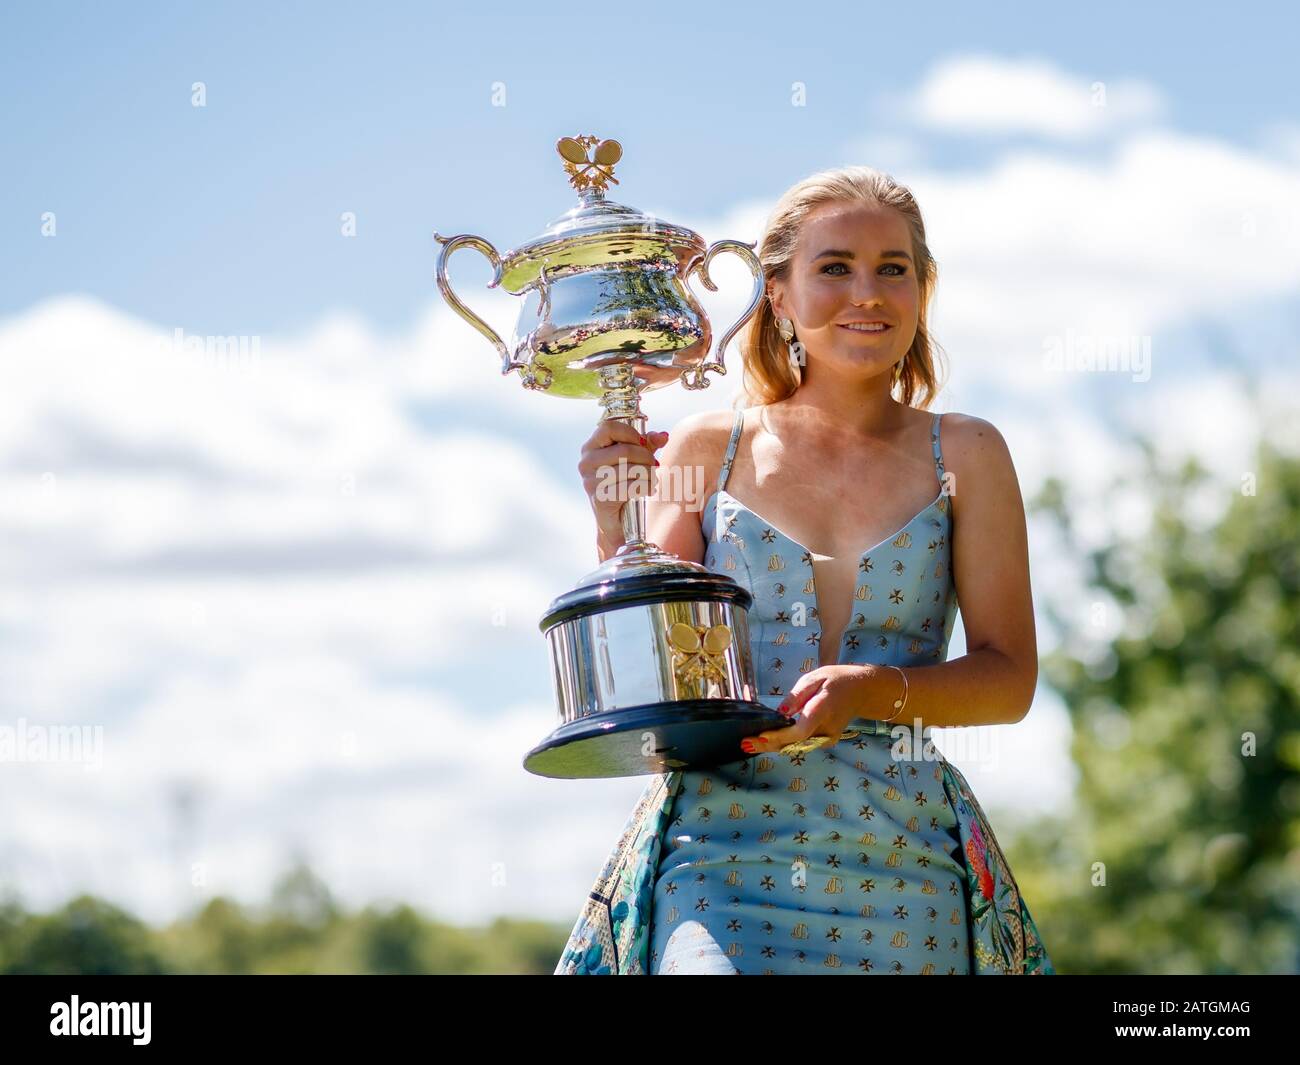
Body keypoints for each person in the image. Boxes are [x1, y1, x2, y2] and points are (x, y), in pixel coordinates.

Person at [555, 166, 1055, 975]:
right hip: (717, 858)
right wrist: (616, 534)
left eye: (893, 268)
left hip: (905, 862)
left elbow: (1010, 679)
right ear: (777, 294)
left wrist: (874, 689)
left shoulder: (967, 453)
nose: (868, 292)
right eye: (835, 267)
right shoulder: (701, 450)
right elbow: (649, 689)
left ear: (921, 291)